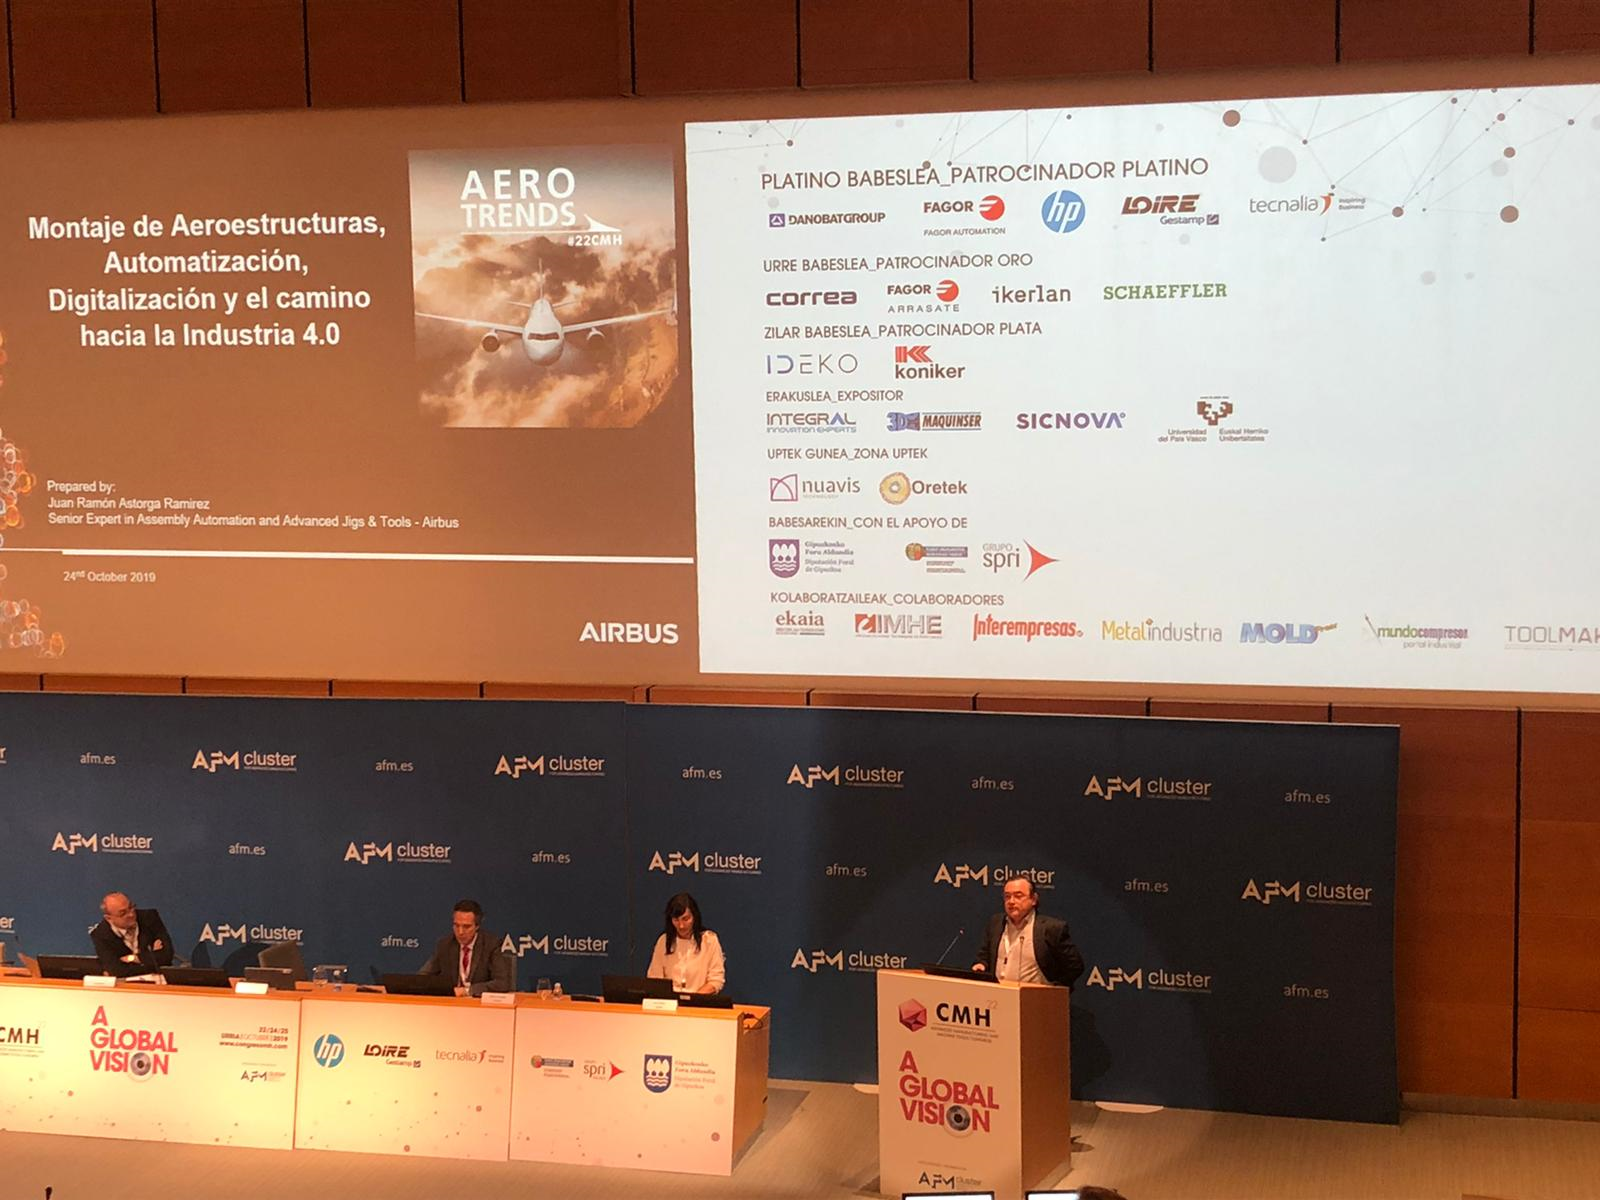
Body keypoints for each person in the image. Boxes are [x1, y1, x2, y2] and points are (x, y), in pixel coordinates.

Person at [973, 876, 1084, 987]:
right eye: (1007, 896)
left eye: (1018, 896)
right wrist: (981, 964)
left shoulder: (1051, 929)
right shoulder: (995, 923)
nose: (1011, 901)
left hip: (1035, 996)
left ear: (1034, 899)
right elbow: (984, 955)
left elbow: (1075, 966)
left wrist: (1054, 990)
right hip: (998, 994)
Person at [418, 898, 513, 997]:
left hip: (479, 1002)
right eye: (456, 925)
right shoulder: (445, 945)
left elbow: (502, 983)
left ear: (477, 926)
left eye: (466, 927)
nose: (460, 932)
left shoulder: (491, 945)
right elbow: (422, 978)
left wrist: (468, 991)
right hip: (451, 1003)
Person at [646, 892, 725, 994]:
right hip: (670, 1001)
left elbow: (716, 980)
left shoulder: (709, 940)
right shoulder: (663, 941)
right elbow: (655, 979)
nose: (681, 925)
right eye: (676, 920)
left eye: (685, 919)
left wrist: (694, 999)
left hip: (699, 1000)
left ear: (694, 917)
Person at [89, 892, 175, 978]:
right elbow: (117, 971)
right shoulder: (100, 934)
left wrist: (134, 958)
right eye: (123, 913)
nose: (131, 914)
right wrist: (151, 960)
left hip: (159, 980)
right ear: (109, 918)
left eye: (131, 907)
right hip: (125, 984)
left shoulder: (149, 918)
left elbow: (167, 956)